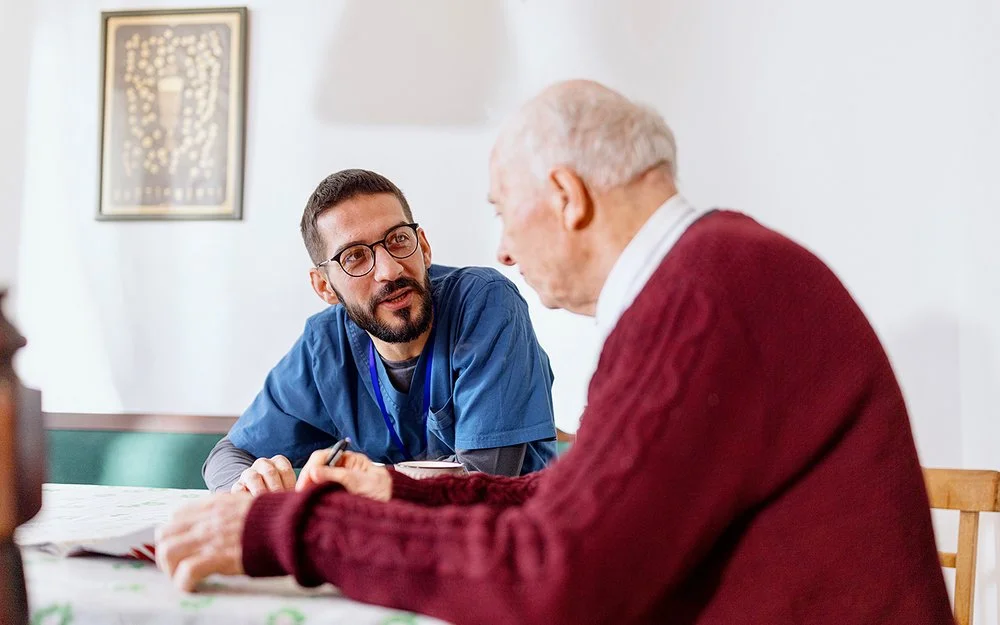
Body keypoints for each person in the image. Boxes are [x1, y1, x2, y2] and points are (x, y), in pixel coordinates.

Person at [158, 81, 953, 625]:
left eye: (505, 212)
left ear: (567, 197)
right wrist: (396, 492)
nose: (501, 251)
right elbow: (571, 497)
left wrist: (300, 530)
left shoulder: (703, 301)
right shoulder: (712, 276)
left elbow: (559, 575)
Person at [202, 169, 558, 494]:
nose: (389, 269)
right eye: (355, 256)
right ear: (324, 287)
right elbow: (230, 454)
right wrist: (247, 484)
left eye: (398, 240)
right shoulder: (325, 345)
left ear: (424, 246)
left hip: (504, 543)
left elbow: (484, 484)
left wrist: (361, 488)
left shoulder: (484, 303)